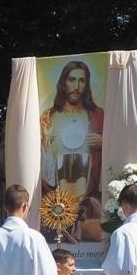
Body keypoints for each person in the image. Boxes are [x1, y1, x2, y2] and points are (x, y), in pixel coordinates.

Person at [39, 60, 106, 203]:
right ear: (63, 84)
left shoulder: (98, 115)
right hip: (56, 196)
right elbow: (40, 156)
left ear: (87, 85)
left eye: (82, 81)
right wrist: (44, 140)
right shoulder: (49, 116)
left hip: (90, 194)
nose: (76, 87)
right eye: (71, 80)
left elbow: (115, 146)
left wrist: (103, 142)